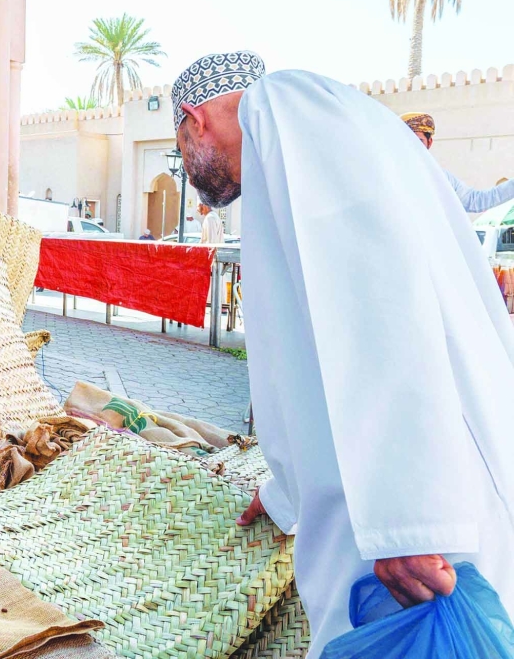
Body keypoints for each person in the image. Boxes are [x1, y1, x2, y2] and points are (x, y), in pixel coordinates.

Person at [171, 52, 514, 655]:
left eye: (180, 150)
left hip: (418, 518)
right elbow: (303, 362)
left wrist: (411, 517)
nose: (188, 171)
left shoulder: (281, 106)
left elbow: (376, 290)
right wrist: (283, 491)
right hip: (402, 499)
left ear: (193, 120)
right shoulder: (291, 151)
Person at [401, 112, 514, 217]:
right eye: (406, 140)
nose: (411, 146)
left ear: (429, 143)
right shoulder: (388, 173)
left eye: (418, 141)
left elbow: (475, 201)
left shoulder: (440, 177)